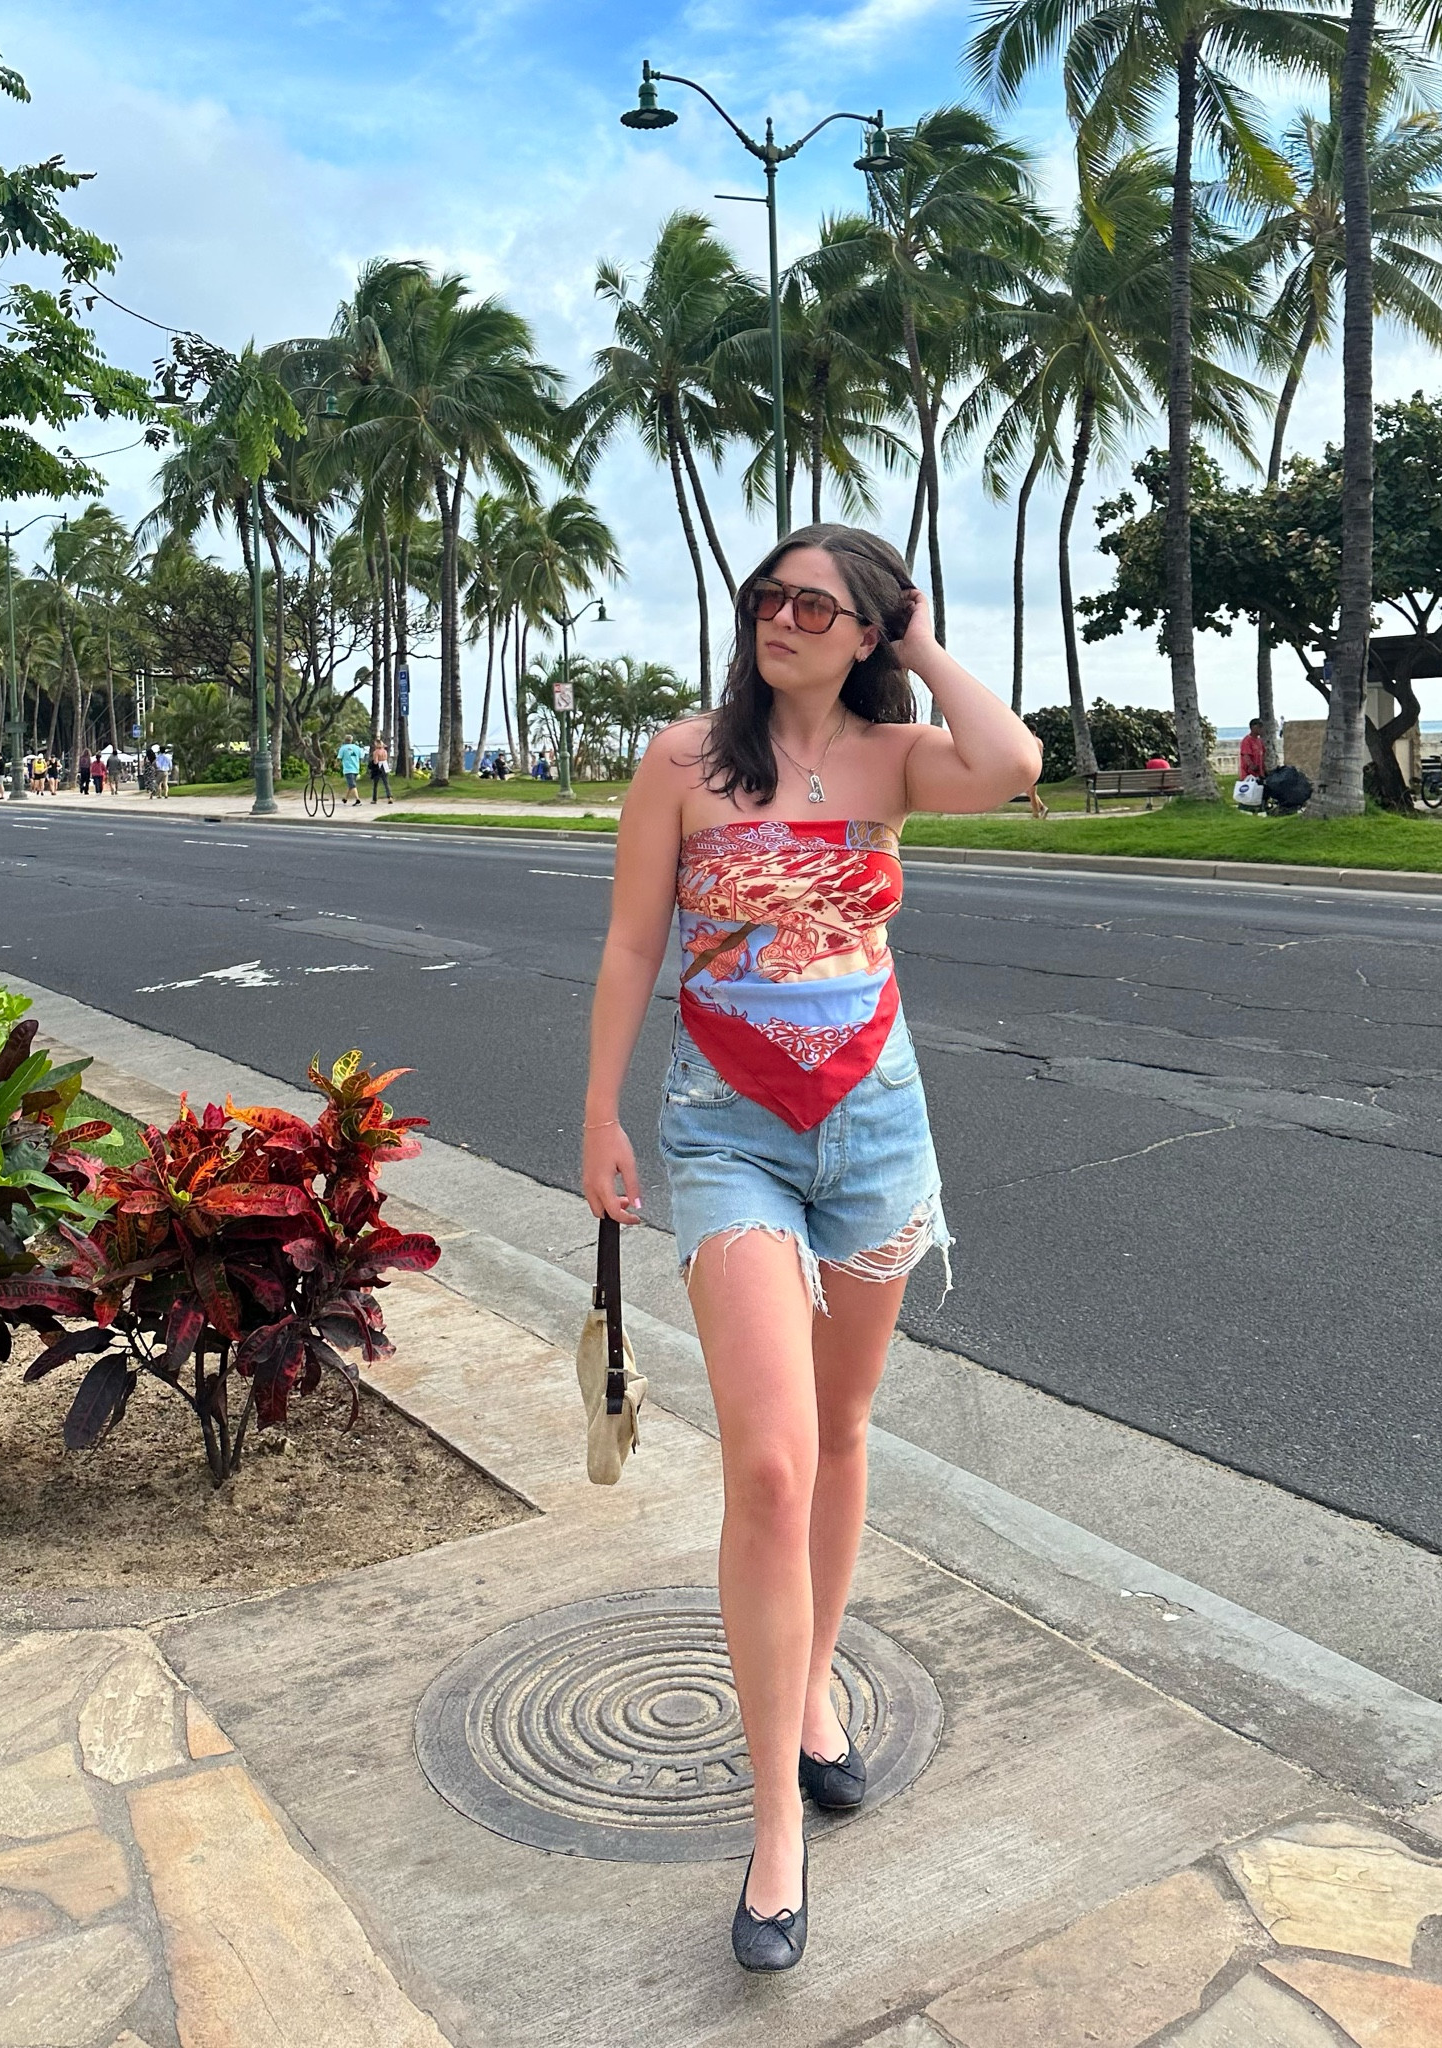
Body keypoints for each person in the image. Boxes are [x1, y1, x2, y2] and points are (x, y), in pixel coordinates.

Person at [581, 523, 1040, 1972]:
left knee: (842, 1432)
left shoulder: (897, 761)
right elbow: (632, 947)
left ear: (866, 631)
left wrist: (918, 646)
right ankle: (773, 1817)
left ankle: (816, 1681)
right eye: (766, 597)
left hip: (874, 1130)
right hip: (727, 1132)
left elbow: (1013, 761)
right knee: (770, 1463)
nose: (780, 618)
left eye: (816, 605)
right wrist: (598, 1114)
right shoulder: (681, 762)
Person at [336, 736, 364, 805]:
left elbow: (339, 758)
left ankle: (357, 800)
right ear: (351, 740)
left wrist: (336, 765)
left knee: (352, 784)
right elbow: (361, 757)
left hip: (348, 769)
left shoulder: (343, 748)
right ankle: (345, 799)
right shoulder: (357, 748)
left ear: (345, 740)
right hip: (356, 768)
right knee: (351, 784)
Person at [369, 736, 393, 804]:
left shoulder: (376, 752)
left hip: (378, 767)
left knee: (375, 784)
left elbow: (376, 761)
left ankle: (374, 799)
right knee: (386, 783)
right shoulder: (384, 751)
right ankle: (389, 797)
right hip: (385, 766)